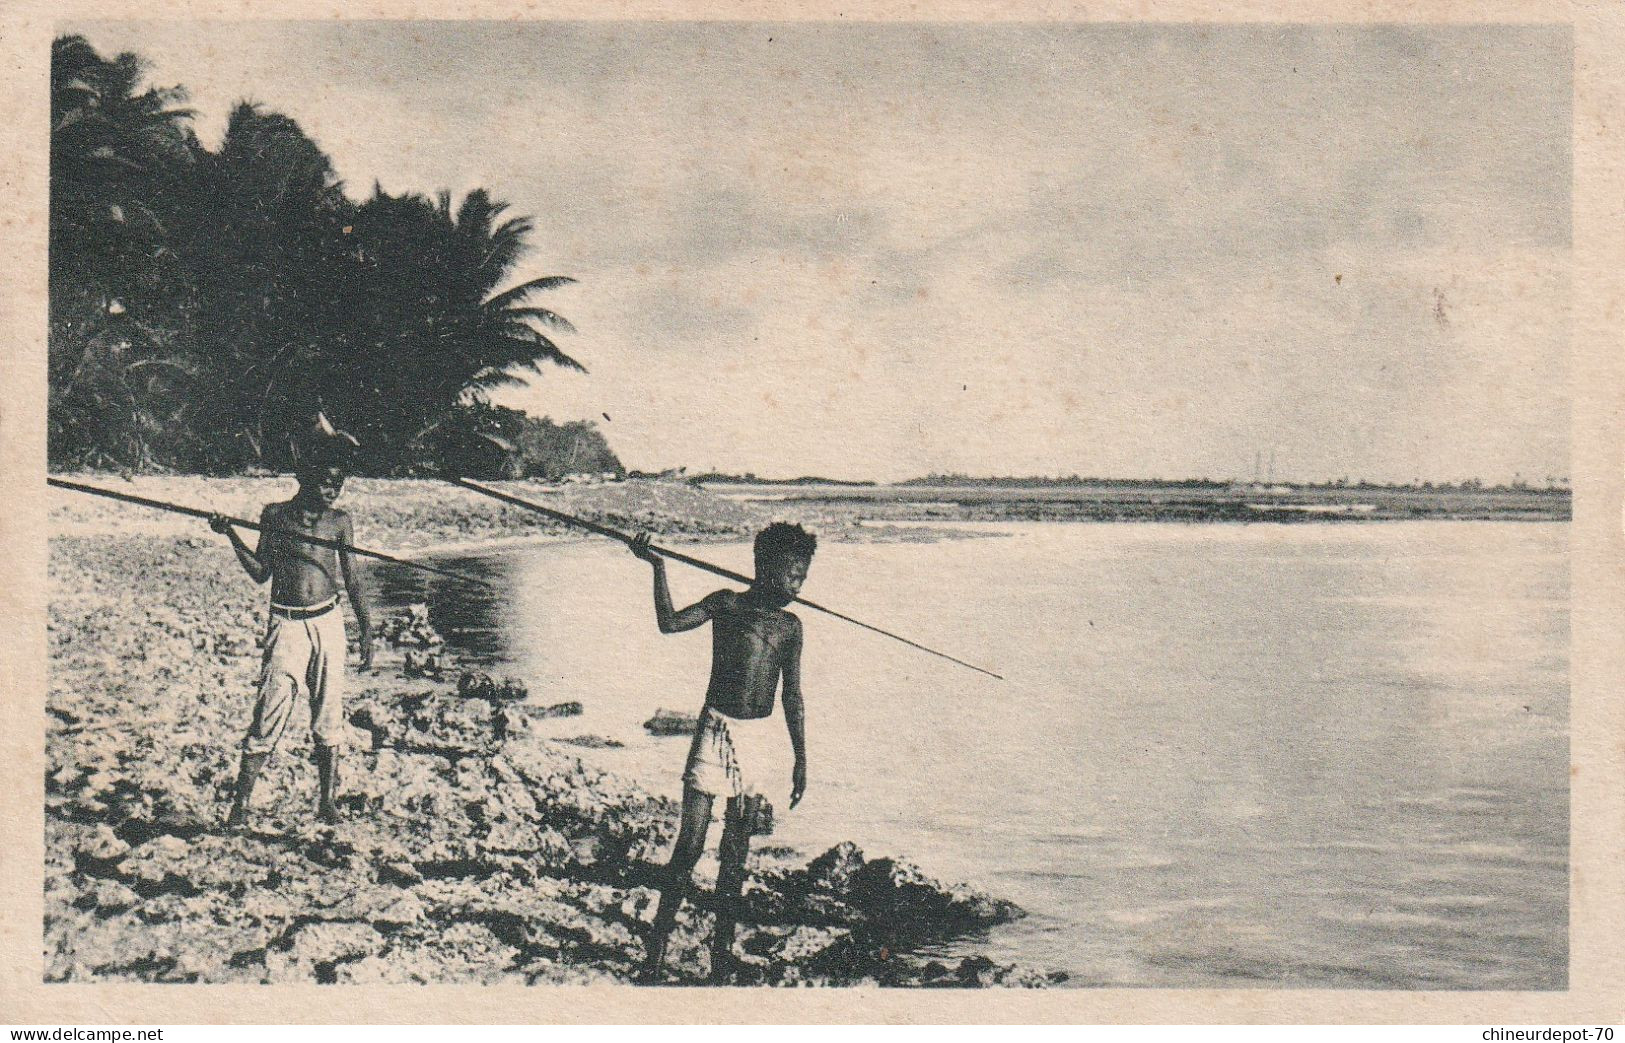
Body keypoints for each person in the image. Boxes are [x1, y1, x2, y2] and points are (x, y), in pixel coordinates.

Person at [631, 522, 815, 984]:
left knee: (735, 856)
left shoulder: (791, 627)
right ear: (766, 568)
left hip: (759, 741)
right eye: (792, 576)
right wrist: (657, 567)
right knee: (689, 847)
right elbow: (668, 623)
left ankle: (719, 958)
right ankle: (655, 954)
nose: (797, 587)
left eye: (803, 579)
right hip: (714, 730)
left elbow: (792, 696)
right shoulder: (726, 604)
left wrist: (801, 758)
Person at [212, 443, 372, 828]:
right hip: (287, 624)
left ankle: (327, 802)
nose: (333, 490)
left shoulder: (339, 522)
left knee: (329, 711)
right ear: (306, 478)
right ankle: (240, 805)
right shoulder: (275, 516)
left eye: (339, 484)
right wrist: (231, 534)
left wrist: (366, 630)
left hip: (329, 623)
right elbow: (261, 572)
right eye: (327, 482)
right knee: (269, 711)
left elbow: (351, 578)